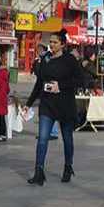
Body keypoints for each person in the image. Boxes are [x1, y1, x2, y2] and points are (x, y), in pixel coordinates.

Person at [26, 30, 84, 185]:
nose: (51, 44)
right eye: (50, 42)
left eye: (55, 42)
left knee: (67, 139)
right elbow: (39, 83)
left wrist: (62, 85)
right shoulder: (45, 59)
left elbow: (81, 80)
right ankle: (39, 171)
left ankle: (68, 166)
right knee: (43, 138)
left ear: (62, 44)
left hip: (65, 105)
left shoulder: (70, 60)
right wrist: (28, 104)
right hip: (47, 105)